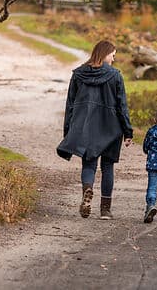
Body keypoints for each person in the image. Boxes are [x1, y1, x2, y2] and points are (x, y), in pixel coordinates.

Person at [56, 40, 133, 220]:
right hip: (111, 127)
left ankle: (87, 189)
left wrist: (69, 132)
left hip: (86, 127)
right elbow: (122, 106)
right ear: (105, 54)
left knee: (89, 164)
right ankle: (105, 210)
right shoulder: (115, 76)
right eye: (113, 55)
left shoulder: (78, 74)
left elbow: (70, 105)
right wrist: (127, 131)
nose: (113, 59)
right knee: (108, 167)